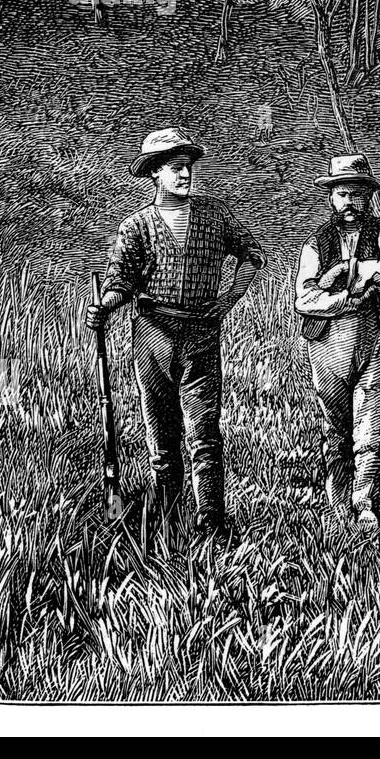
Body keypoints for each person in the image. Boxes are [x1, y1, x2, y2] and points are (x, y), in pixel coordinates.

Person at [87, 128, 265, 545]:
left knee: (205, 433)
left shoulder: (215, 215)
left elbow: (253, 255)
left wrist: (227, 300)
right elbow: (120, 282)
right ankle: (167, 517)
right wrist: (106, 307)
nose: (185, 174)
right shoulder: (137, 227)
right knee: (162, 436)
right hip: (152, 334)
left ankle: (211, 520)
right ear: (155, 174)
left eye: (188, 167)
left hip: (202, 333)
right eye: (175, 168)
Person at [294, 154, 380, 530]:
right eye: (342, 194)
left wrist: (352, 270)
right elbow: (304, 297)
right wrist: (344, 296)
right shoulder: (316, 242)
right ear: (331, 197)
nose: (349, 202)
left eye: (356, 195)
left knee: (373, 425)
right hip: (327, 342)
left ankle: (366, 504)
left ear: (368, 197)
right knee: (336, 426)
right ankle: (337, 502)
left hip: (373, 336)